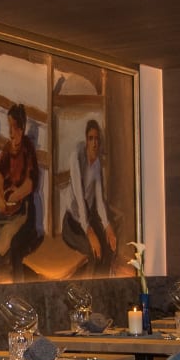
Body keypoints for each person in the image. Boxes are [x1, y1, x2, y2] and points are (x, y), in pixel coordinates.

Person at [0, 101, 42, 280]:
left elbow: (30, 183)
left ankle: (11, 279)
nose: (11, 132)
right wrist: (1, 196)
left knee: (10, 236)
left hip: (22, 207)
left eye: (14, 127)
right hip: (7, 203)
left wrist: (14, 197)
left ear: (22, 129)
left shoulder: (27, 149)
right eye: (10, 127)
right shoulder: (8, 148)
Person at [62, 117, 117, 274]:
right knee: (94, 253)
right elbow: (80, 198)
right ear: (86, 141)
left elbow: (99, 200)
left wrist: (107, 226)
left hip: (88, 220)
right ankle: (89, 287)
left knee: (108, 249)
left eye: (97, 139)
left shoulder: (97, 163)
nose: (94, 143)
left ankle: (103, 286)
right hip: (73, 224)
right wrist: (89, 232)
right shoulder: (76, 156)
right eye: (91, 139)